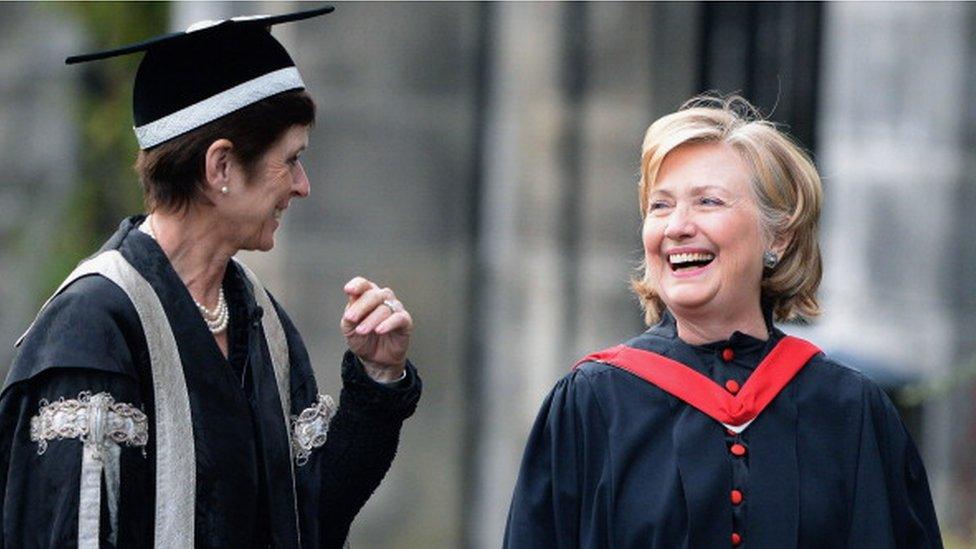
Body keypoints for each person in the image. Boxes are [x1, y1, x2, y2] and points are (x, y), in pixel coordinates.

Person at [0, 7, 421, 548]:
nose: (303, 185)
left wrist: (376, 378)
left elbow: (310, 513)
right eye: (289, 160)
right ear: (220, 167)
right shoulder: (93, 329)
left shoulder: (258, 316)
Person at [504, 95, 942, 548]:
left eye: (708, 201)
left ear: (780, 234)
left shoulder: (851, 413)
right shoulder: (590, 405)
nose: (677, 226)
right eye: (660, 206)